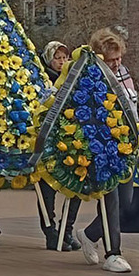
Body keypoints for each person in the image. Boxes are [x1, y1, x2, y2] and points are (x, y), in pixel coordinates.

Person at [73, 27, 136, 273]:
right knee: (112, 199)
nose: (117, 64)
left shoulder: (124, 73)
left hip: (126, 144)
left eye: (119, 58)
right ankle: (113, 252)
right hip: (103, 146)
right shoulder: (90, 78)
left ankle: (89, 234)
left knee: (126, 202)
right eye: (111, 60)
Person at [35, 41, 82, 250]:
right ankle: (50, 230)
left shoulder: (74, 80)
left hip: (71, 139)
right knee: (47, 188)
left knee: (76, 185)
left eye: (65, 58)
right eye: (57, 58)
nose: (62, 62)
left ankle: (67, 229)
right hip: (49, 141)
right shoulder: (42, 80)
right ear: (49, 59)